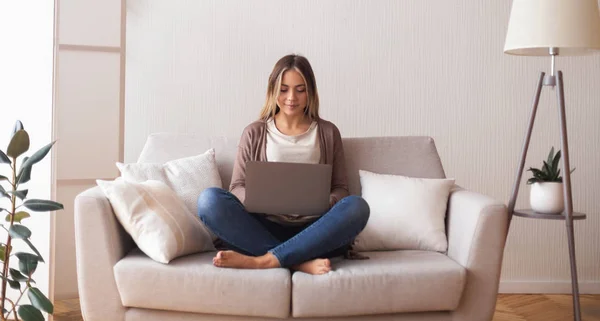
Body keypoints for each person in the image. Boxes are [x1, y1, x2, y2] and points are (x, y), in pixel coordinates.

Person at [197, 54, 370, 275]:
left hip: (315, 230)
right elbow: (237, 187)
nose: (291, 97)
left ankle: (263, 261)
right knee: (209, 201)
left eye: (300, 89)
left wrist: (326, 201)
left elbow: (341, 189)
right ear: (273, 90)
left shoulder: (328, 132)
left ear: (311, 92)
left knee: (357, 207)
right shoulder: (254, 132)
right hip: (263, 227)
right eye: (284, 89)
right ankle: (297, 261)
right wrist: (257, 198)